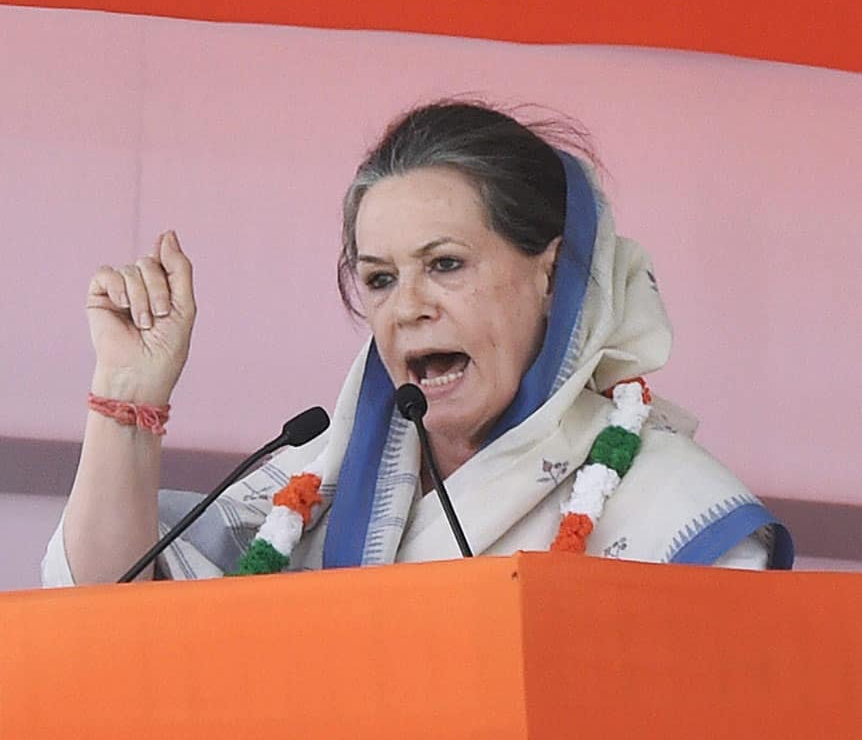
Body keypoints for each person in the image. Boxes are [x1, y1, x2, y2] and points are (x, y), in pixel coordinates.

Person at [41, 101, 792, 586]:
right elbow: (104, 620)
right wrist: (128, 395)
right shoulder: (307, 494)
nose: (409, 309)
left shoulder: (674, 506)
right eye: (378, 278)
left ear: (551, 273)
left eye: (445, 265)